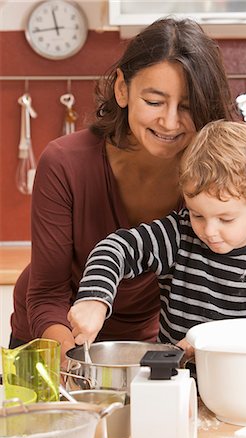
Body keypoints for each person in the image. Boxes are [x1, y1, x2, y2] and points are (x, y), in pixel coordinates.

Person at [9, 17, 233, 365]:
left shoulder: (210, 173)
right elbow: (47, 294)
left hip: (144, 346)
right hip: (51, 335)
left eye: (187, 106)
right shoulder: (65, 162)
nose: (171, 122)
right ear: (122, 90)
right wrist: (75, 363)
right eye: (155, 101)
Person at [68, 120, 246, 357]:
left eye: (226, 219)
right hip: (173, 380)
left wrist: (208, 342)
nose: (209, 230)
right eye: (197, 214)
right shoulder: (179, 234)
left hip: (239, 383)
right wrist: (95, 298)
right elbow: (116, 248)